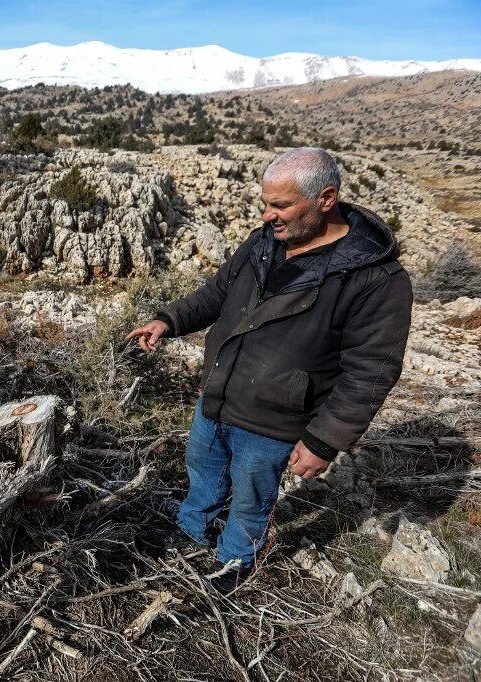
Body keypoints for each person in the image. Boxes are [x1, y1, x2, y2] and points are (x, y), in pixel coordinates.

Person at [125, 147, 413, 591]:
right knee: (203, 473)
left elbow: (371, 372)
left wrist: (323, 441)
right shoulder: (265, 243)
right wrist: (169, 320)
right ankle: (190, 534)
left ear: (326, 198)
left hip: (275, 421)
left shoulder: (375, 279)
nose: (267, 216)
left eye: (281, 205)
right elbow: (217, 293)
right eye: (265, 203)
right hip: (218, 397)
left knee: (251, 500)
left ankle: (234, 564)